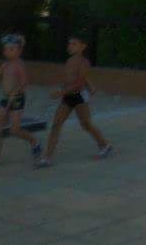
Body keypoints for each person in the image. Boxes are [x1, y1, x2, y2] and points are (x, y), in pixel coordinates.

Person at [38, 34, 111, 167]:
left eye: (74, 44)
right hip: (68, 96)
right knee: (56, 124)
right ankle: (47, 157)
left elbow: (79, 84)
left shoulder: (84, 63)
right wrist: (66, 88)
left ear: (82, 46)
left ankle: (104, 145)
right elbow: (73, 77)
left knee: (86, 124)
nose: (70, 46)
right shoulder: (70, 61)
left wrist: (60, 93)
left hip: (79, 96)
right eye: (69, 44)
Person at [0, 34, 42, 165]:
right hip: (5, 98)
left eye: (11, 49)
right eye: (6, 49)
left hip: (17, 99)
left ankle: (34, 141)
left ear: (19, 51)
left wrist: (15, 94)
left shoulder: (19, 65)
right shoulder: (5, 65)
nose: (7, 52)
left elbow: (24, 83)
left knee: (14, 130)